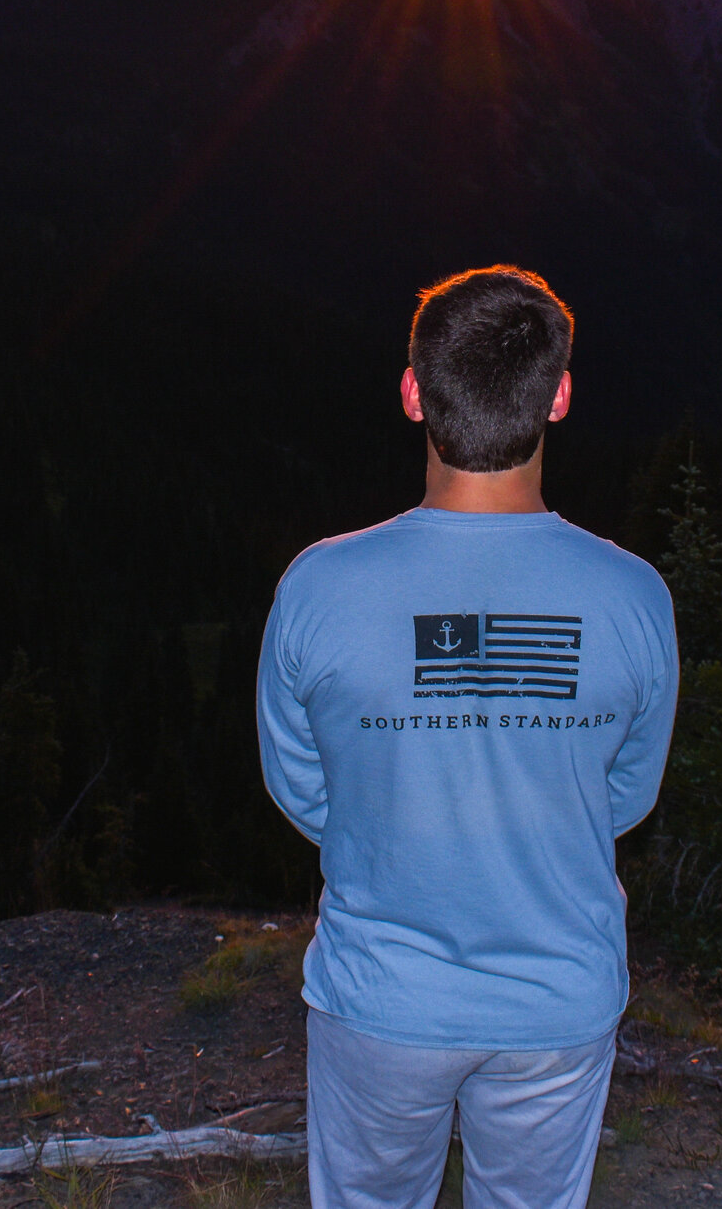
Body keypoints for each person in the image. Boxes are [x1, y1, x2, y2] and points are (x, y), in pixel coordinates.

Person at [256, 266, 680, 1209]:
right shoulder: (633, 596)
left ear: (413, 392)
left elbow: (302, 786)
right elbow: (628, 793)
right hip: (557, 999)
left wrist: (395, 821)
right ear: (559, 395)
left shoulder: (319, 588)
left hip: (382, 995)